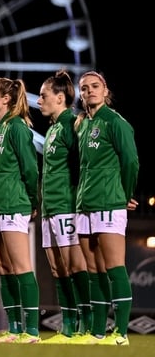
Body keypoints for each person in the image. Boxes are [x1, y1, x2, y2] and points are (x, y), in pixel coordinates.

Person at [69, 71, 139, 346]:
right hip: (84, 204)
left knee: (113, 267)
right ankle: (98, 332)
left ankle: (120, 333)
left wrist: (125, 193)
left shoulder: (116, 122)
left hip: (109, 203)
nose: (89, 92)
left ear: (105, 89)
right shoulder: (82, 125)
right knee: (93, 269)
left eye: (95, 86)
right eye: (84, 88)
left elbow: (131, 162)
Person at [36, 71, 91, 343]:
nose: (38, 101)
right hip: (50, 209)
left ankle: (87, 324)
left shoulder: (72, 125)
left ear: (60, 98)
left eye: (43, 96)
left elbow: (84, 165)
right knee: (58, 270)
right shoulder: (54, 128)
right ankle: (68, 326)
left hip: (67, 207)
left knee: (74, 266)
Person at [0, 77, 41, 343]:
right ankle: (15, 328)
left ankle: (31, 331)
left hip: (13, 205)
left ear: (5, 99)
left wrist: (32, 199)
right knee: (5, 269)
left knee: (21, 268)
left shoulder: (17, 127)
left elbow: (30, 167)